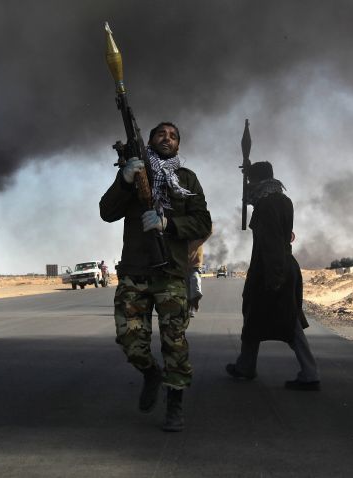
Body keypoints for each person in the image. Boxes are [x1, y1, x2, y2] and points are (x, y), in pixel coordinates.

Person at [99, 122, 212, 432]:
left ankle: (174, 403)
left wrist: (168, 223)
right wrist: (124, 180)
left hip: (172, 273)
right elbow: (106, 211)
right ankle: (150, 373)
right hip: (135, 271)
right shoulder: (135, 175)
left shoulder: (187, 179)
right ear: (149, 140)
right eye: (161, 134)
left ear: (178, 146)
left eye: (174, 135)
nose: (168, 138)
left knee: (175, 343)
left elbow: (203, 222)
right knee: (130, 340)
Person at [226, 161, 321, 391]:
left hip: (271, 268)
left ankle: (309, 374)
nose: (248, 187)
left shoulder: (266, 204)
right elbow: (284, 234)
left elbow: (271, 243)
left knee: (284, 321)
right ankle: (246, 365)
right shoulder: (282, 200)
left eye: (250, 181)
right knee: (260, 318)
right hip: (280, 266)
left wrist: (274, 277)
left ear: (256, 182)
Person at [187, 227, 212, 317]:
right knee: (186, 289)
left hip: (195, 266)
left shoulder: (199, 238)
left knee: (195, 285)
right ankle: (190, 307)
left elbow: (209, 229)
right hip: (183, 266)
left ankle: (194, 304)